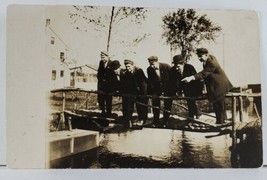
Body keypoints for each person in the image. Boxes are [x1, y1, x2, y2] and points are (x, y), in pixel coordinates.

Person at [182, 48, 233, 124]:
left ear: (206, 55)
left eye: (200, 56)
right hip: (216, 85)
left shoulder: (211, 62)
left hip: (220, 85)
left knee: (219, 105)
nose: (199, 58)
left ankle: (221, 123)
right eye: (198, 56)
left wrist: (191, 77)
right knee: (218, 104)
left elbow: (204, 73)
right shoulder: (208, 59)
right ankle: (221, 121)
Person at [170, 54, 203, 119]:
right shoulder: (173, 70)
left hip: (193, 88)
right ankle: (192, 116)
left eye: (178, 66)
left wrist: (198, 93)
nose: (176, 68)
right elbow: (173, 83)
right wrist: (175, 93)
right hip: (184, 88)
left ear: (183, 64)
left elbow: (197, 81)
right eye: (175, 66)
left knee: (192, 100)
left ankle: (196, 114)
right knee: (189, 101)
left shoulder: (189, 68)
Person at [147, 55, 172, 127]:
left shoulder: (166, 66)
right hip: (157, 89)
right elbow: (151, 82)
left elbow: (172, 79)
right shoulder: (149, 69)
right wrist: (152, 92)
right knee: (155, 104)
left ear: (157, 62)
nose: (152, 66)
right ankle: (156, 121)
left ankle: (165, 121)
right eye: (150, 64)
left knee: (167, 104)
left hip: (167, 88)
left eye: (153, 64)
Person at [122, 59, 148, 126]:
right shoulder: (127, 73)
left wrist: (143, 94)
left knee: (141, 106)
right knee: (129, 105)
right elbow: (127, 84)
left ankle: (142, 120)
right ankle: (129, 120)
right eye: (126, 67)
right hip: (134, 92)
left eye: (129, 66)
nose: (128, 68)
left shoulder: (139, 71)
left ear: (132, 65)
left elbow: (143, 83)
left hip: (142, 91)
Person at [97, 51, 113, 117]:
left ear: (107, 56)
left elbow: (112, 75)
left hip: (108, 86)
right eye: (101, 57)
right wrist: (101, 80)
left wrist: (107, 81)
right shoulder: (101, 63)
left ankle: (108, 113)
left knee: (108, 99)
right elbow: (99, 73)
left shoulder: (111, 63)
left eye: (103, 57)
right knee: (101, 99)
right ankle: (103, 112)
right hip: (101, 85)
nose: (102, 59)